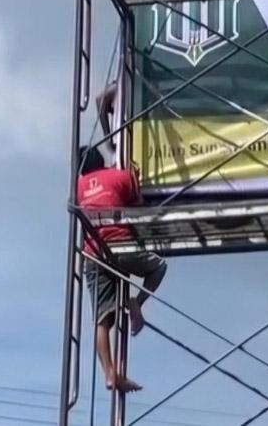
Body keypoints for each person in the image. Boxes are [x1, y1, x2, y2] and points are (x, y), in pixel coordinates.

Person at [77, 85, 167, 393]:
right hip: (121, 246)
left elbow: (101, 101)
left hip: (94, 252)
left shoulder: (78, 187)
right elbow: (138, 205)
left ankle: (109, 374)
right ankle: (136, 303)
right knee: (158, 267)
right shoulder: (120, 175)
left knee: (102, 320)